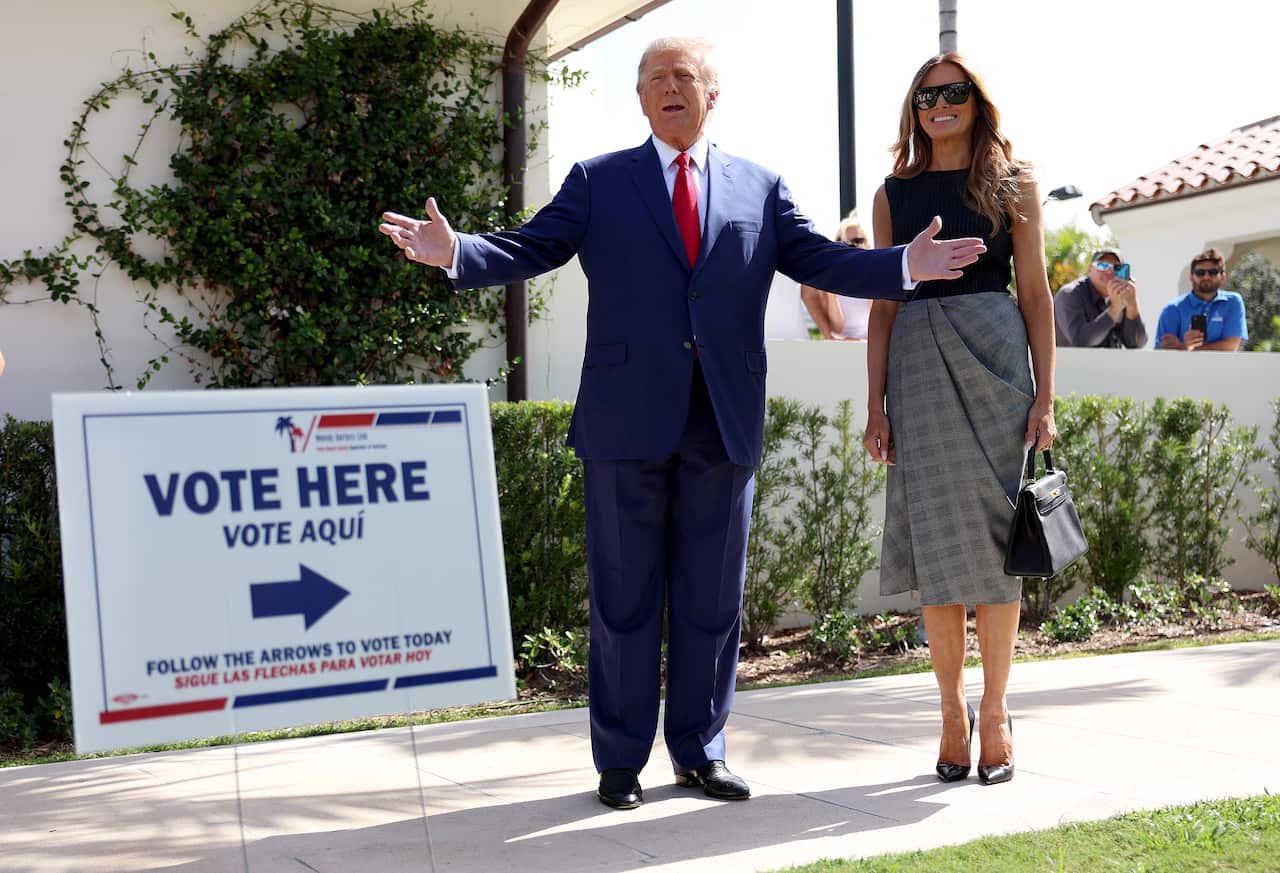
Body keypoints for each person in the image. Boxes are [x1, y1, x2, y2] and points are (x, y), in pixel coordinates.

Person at [380, 36, 986, 811]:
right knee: (624, 601)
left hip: (722, 421)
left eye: (684, 76)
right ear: (639, 99)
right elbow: (531, 246)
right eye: (654, 79)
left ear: (712, 93)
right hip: (626, 423)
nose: (669, 88)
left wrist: (903, 265)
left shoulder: (760, 187)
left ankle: (700, 751)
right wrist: (457, 250)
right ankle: (620, 760)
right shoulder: (599, 182)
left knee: (711, 601)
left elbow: (818, 262)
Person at [862, 53, 1056, 786]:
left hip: (999, 365)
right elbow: (882, 306)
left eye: (954, 92)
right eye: (926, 95)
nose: (939, 104)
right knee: (942, 549)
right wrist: (875, 404)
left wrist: (1045, 396)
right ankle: (950, 710)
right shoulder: (892, 194)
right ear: (913, 109)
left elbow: (1036, 296)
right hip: (918, 365)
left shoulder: (1015, 182)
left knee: (998, 548)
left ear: (978, 101)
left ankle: (998, 710)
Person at [1155, 248, 1248, 350]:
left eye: (1213, 272)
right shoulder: (1173, 309)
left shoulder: (1232, 302)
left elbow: (1231, 346)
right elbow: (1162, 352)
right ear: (1191, 277)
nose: (1206, 277)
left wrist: (1186, 348)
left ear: (1223, 276)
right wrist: (1184, 346)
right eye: (1200, 272)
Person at [1053, 248, 1147, 348]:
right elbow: (1081, 341)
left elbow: (1136, 344)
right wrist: (1115, 310)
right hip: (1071, 363)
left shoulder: (1121, 296)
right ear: (1090, 269)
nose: (1109, 271)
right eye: (1102, 265)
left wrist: (1132, 305)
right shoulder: (1070, 294)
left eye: (1116, 267)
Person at [801, 212, 874, 340]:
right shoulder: (832, 280)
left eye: (858, 240)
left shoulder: (875, 277)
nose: (854, 246)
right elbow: (837, 328)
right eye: (846, 243)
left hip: (869, 345)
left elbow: (877, 320)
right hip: (842, 346)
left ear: (867, 244)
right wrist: (832, 294)